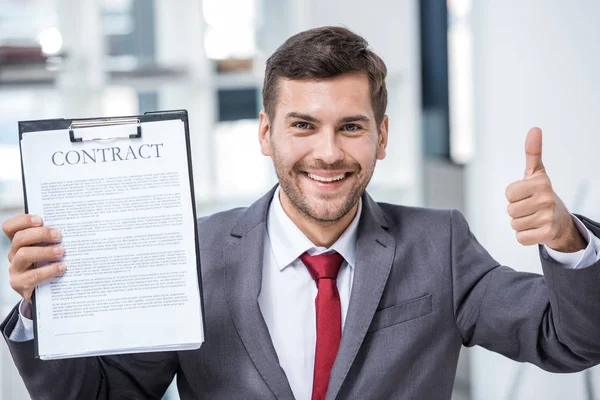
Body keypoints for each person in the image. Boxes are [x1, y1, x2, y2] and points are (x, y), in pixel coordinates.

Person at [2, 26, 600, 400]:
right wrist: (41, 310)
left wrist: (569, 242)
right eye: (303, 125)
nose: (329, 152)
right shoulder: (195, 254)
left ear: (382, 136)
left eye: (351, 127)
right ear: (265, 133)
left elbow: (571, 342)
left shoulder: (439, 245)